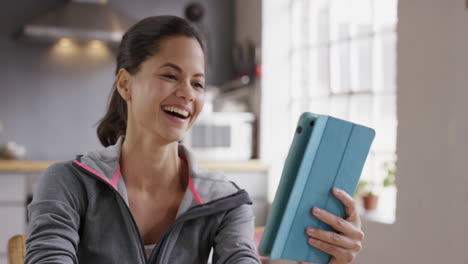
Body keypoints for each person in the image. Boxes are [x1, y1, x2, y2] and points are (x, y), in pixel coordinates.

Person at [25, 15, 364, 264]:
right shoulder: (69, 182)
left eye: (198, 83)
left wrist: (328, 260)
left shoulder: (228, 199)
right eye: (170, 75)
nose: (187, 93)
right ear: (125, 84)